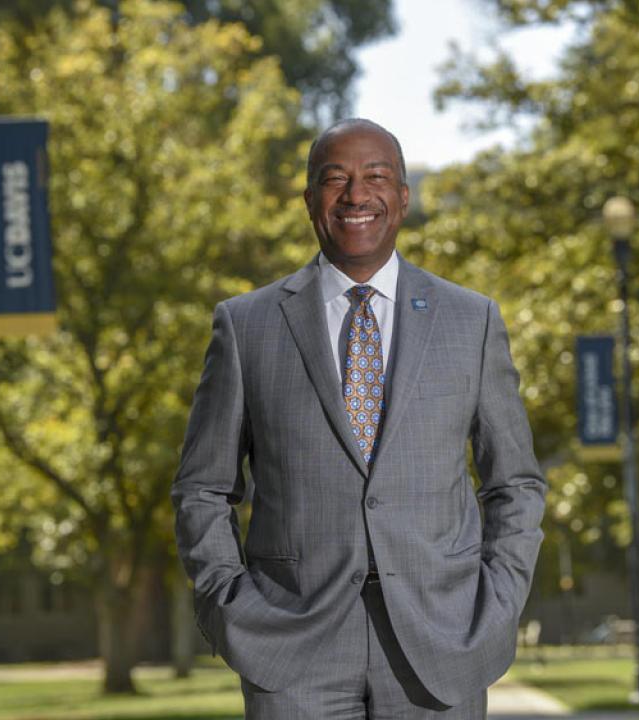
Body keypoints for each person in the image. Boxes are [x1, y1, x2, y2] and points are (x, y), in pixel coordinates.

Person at [172, 118, 546, 718]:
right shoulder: (246, 326)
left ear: (402, 196)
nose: (355, 195)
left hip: (442, 641)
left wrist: (499, 600)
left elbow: (516, 484)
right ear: (309, 200)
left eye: (377, 177)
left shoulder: (470, 321)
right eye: (335, 178)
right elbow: (203, 488)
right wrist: (228, 604)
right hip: (291, 647)